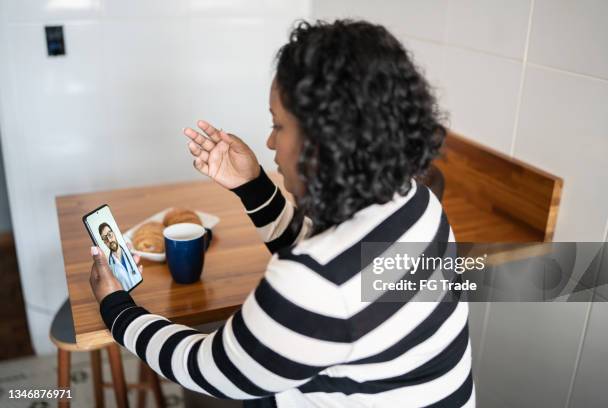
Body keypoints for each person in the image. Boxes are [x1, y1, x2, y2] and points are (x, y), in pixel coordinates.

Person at [89, 20, 474, 407]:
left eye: (278, 125)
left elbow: (213, 368)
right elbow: (330, 257)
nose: (270, 141)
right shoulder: (417, 204)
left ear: (325, 142)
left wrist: (117, 307)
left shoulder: (315, 283)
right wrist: (252, 184)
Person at [98, 222, 140, 291]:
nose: (109, 240)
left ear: (114, 234)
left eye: (110, 234)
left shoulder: (128, 251)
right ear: (104, 242)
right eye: (105, 238)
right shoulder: (109, 267)